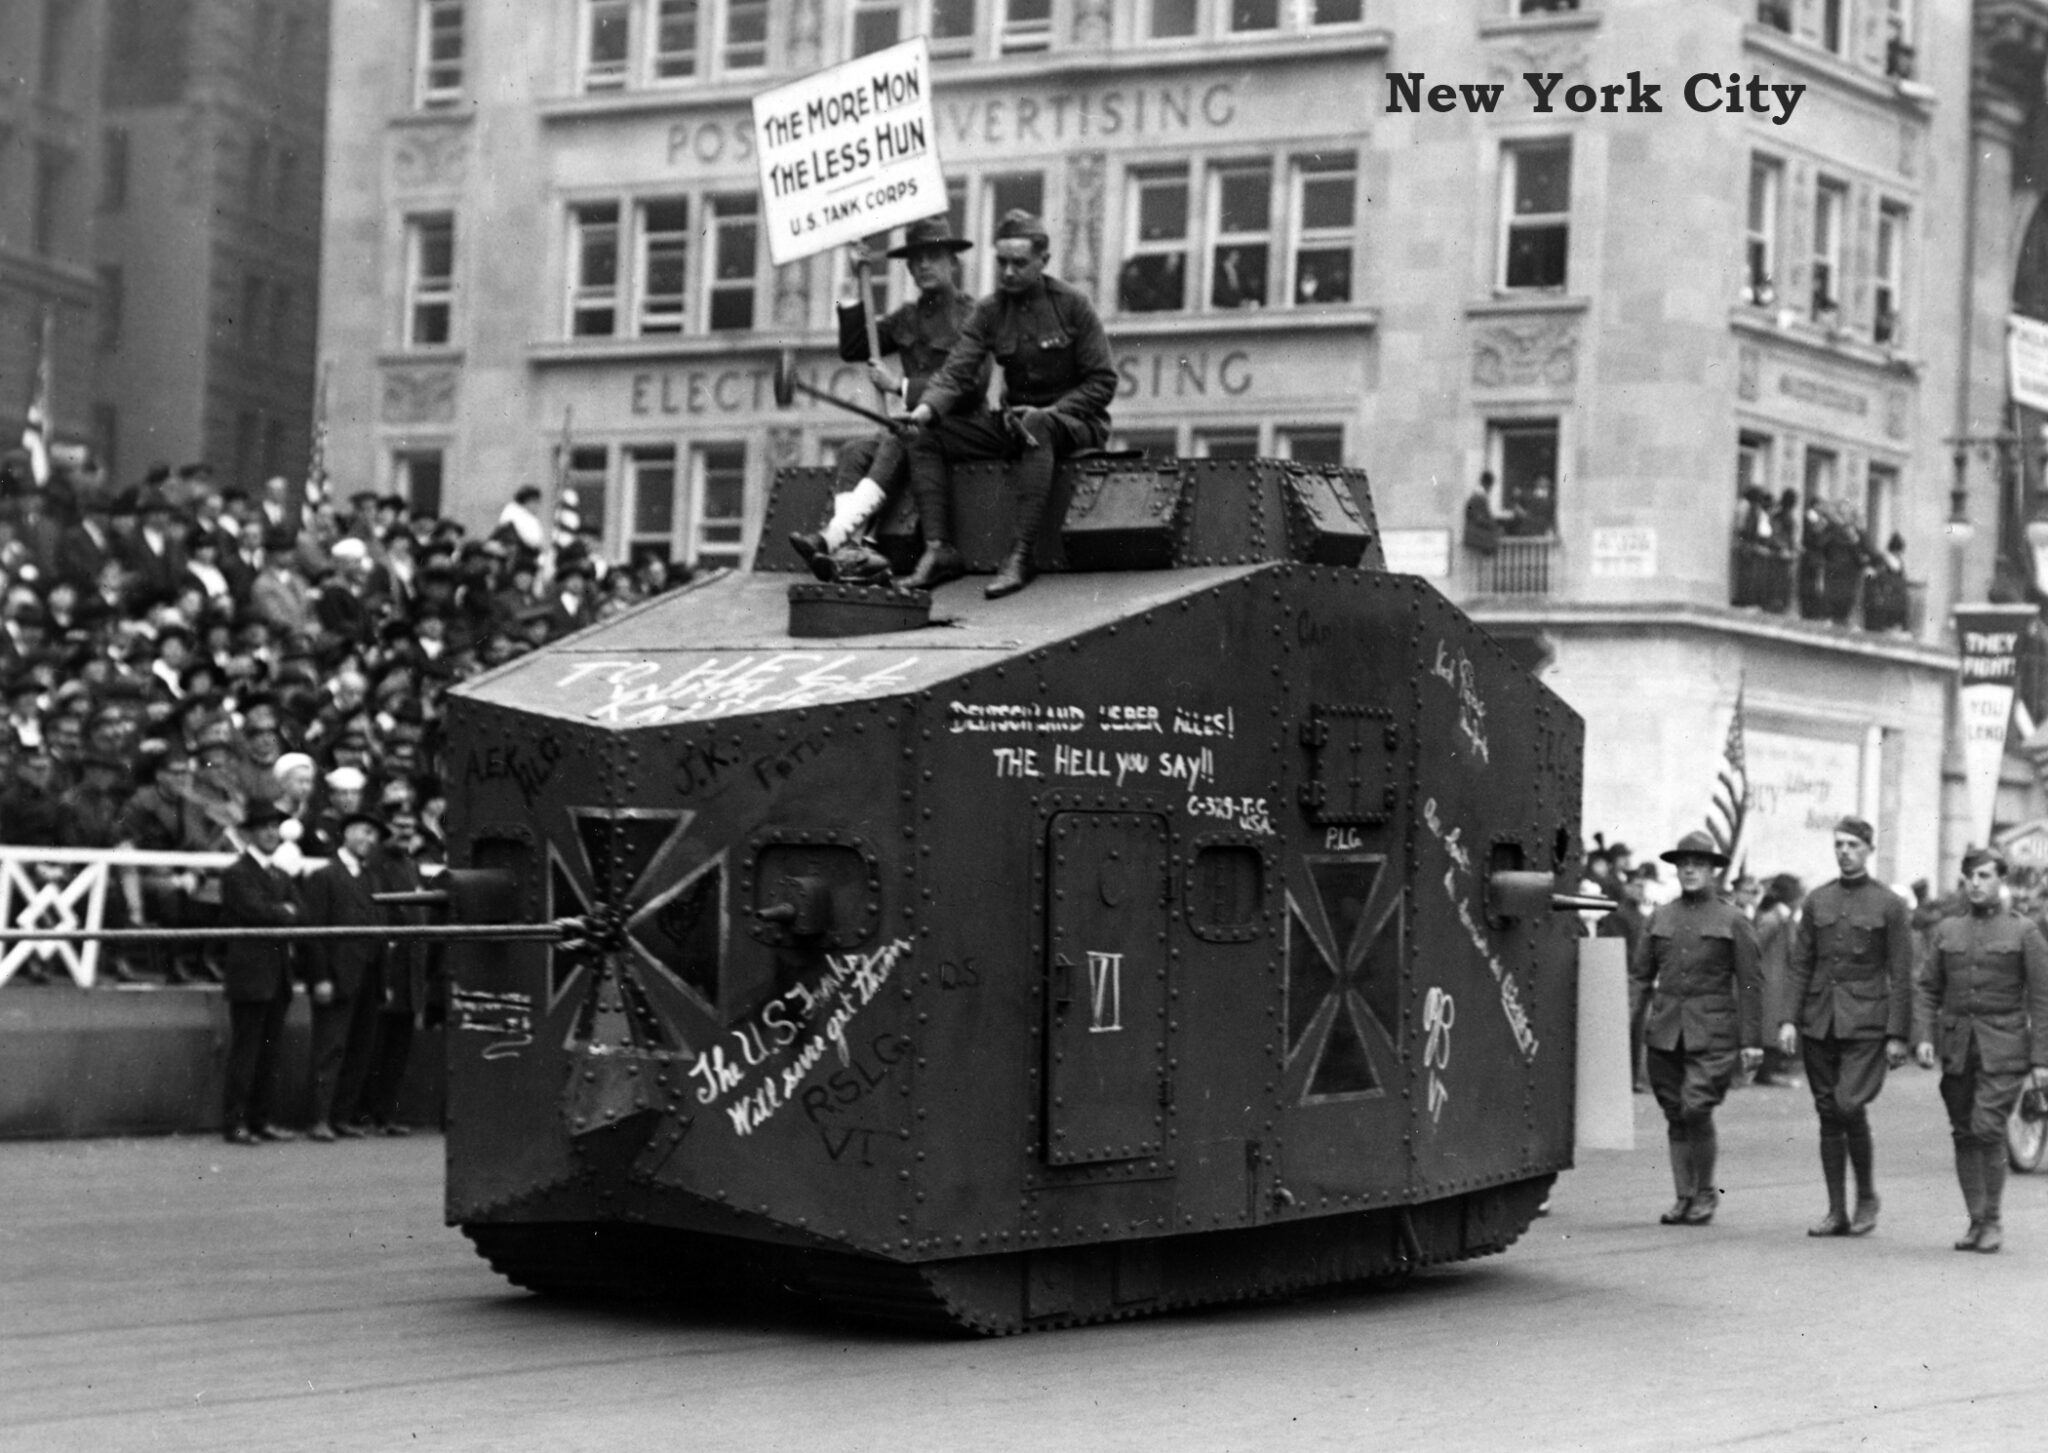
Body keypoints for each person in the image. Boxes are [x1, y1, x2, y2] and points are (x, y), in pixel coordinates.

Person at [905, 208, 1119, 599]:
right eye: (1001, 262)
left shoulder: (1073, 305)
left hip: (1073, 425)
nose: (1007, 273)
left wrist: (1053, 413)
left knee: (1036, 424)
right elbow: (956, 372)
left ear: (1044, 261)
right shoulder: (989, 311)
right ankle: (939, 550)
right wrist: (924, 410)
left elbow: (1102, 381)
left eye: (1019, 263)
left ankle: (1020, 555)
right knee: (926, 437)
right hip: (1013, 424)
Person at [790, 218, 985, 584]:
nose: (924, 264)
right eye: (916, 260)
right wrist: (851, 279)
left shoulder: (973, 316)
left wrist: (900, 386)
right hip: (914, 432)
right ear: (909, 269)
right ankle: (851, 548)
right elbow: (853, 347)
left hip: (962, 430)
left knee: (901, 436)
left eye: (933, 255)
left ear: (953, 262)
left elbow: (972, 385)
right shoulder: (908, 318)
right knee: (854, 451)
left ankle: (834, 536)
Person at [1780, 815, 1913, 1237]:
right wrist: (1787, 1018)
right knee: (1827, 1112)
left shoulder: (1889, 904)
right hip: (1820, 1020)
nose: (1844, 852)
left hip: (1867, 1023)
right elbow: (1801, 965)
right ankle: (1837, 1210)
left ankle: (1868, 1196)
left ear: (1868, 850)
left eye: (1853, 845)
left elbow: (1902, 972)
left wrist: (1898, 1033)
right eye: (1839, 844)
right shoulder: (1817, 901)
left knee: (1849, 1105)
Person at [1913, 846, 2048, 1253]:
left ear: (2000, 881)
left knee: (1987, 1127)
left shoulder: (2023, 932)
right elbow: (1927, 988)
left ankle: (1992, 1221)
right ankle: (1976, 1221)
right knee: (1962, 1132)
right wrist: (1923, 1036)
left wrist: (2042, 1060)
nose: (1976, 883)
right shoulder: (1948, 930)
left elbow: (2042, 999)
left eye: (1985, 875)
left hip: (2004, 1047)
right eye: (1970, 876)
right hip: (1957, 1047)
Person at [1629, 830, 1763, 1226]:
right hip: (1666, 1033)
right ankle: (1683, 1196)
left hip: (1713, 1033)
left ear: (1713, 871)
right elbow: (1640, 976)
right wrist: (1626, 1018)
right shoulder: (1660, 917)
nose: (1689, 870)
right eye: (1683, 864)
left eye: (1698, 864)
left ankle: (1705, 1192)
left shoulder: (1732, 920)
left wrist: (1752, 1042)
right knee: (1674, 1113)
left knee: (1696, 1108)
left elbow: (1752, 983)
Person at [298, 809, 393, 1141]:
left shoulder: (373, 878)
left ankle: (341, 1116)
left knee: (359, 1049)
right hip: (338, 976)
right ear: (347, 833)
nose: (369, 840)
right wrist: (320, 977)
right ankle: (319, 1117)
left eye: (373, 835)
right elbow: (313, 932)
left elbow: (380, 931)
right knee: (330, 1048)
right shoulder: (325, 876)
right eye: (364, 832)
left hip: (367, 976)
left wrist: (383, 981)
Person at [218, 801, 301, 1145]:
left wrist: (281, 911)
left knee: (269, 1053)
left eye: (274, 826)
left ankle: (260, 1120)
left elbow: (301, 911)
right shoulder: (237, 873)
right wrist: (282, 911)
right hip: (250, 976)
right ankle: (237, 1122)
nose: (271, 832)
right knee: (246, 1052)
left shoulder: (280, 875)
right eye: (264, 827)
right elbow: (258, 912)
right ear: (250, 832)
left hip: (278, 975)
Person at [1752, 873, 1805, 1087]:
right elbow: (1756, 946)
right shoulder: (1773, 918)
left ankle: (1773, 1069)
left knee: (1776, 1024)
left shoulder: (1783, 918)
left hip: (1779, 980)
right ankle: (1766, 1073)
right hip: (1770, 980)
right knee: (1770, 1026)